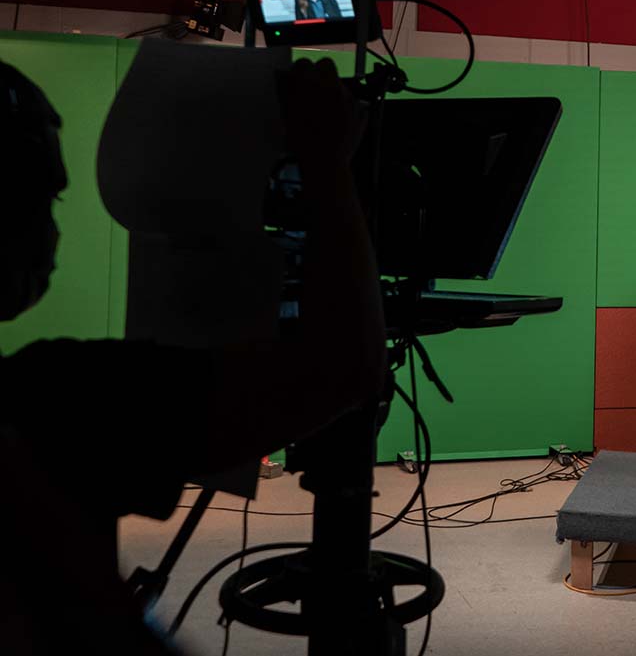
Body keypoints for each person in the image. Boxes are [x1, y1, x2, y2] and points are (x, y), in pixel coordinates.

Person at [0, 56, 386, 654]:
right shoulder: (51, 397)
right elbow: (343, 367)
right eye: (42, 201)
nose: (51, 229)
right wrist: (327, 164)